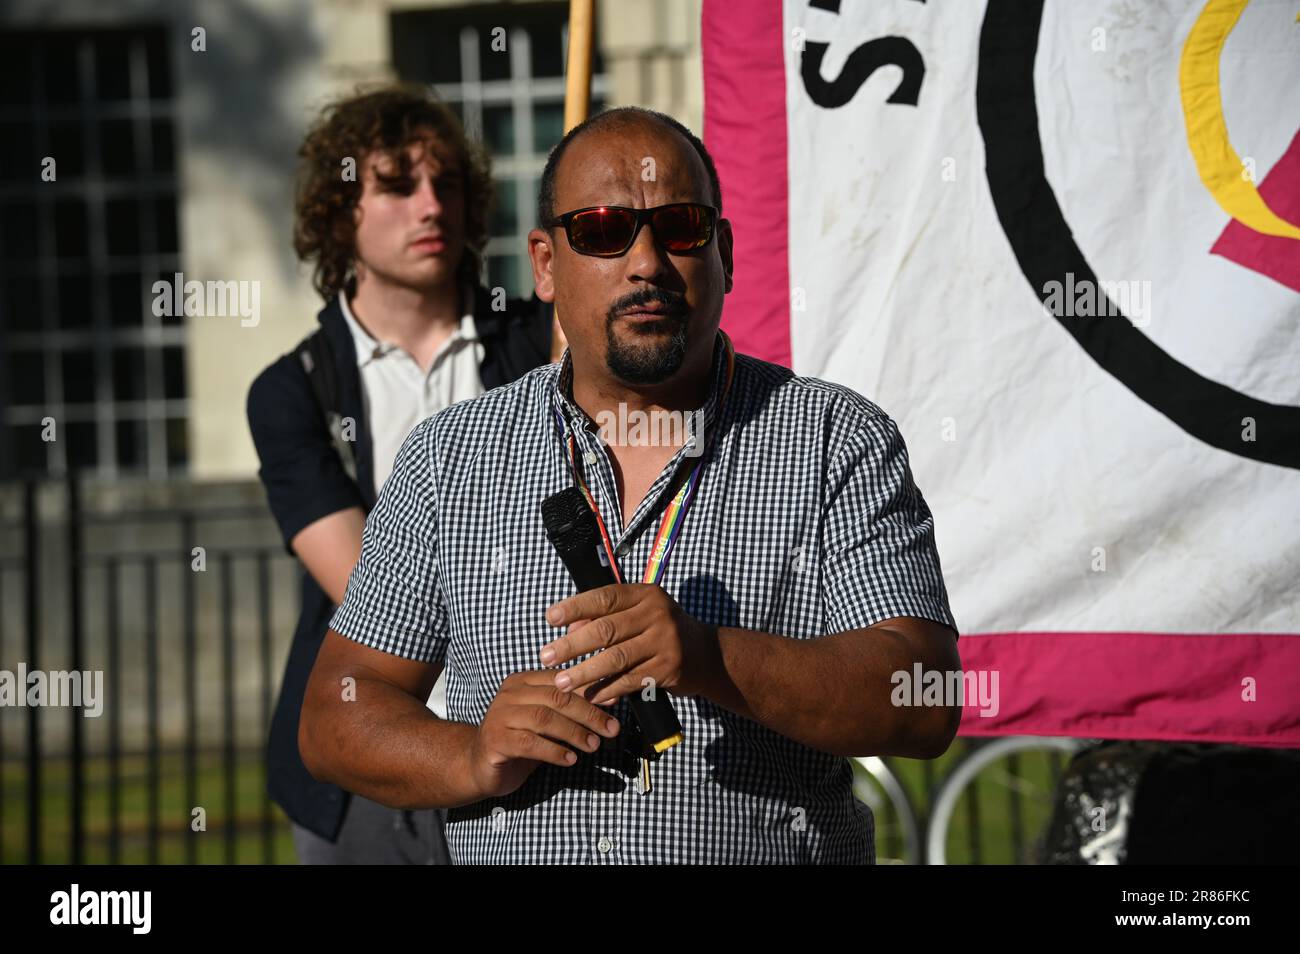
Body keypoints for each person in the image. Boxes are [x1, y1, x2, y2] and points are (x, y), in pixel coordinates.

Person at [300, 106, 961, 864]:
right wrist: (471, 754)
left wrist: (710, 656)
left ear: (724, 251)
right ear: (545, 265)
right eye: (604, 230)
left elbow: (925, 697)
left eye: (679, 226)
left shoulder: (832, 439)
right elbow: (335, 714)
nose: (646, 261)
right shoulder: (452, 458)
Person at [246, 85, 552, 864]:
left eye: (448, 184)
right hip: (370, 767)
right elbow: (370, 588)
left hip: (537, 751)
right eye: (397, 184)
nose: (431, 205)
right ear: (338, 212)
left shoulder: (543, 346)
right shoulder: (293, 392)